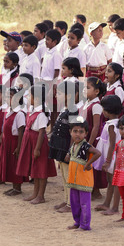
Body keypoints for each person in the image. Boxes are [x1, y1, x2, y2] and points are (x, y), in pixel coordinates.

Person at [16, 84, 57, 205]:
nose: (28, 97)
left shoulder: (41, 113)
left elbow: (41, 131)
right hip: (30, 140)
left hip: (38, 142)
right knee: (35, 168)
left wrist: (37, 148)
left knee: (41, 169)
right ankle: (35, 193)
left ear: (37, 98)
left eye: (30, 95)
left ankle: (41, 195)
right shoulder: (33, 109)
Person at [66, 117, 102, 231]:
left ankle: (85, 225)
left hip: (84, 181)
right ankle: (77, 222)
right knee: (75, 204)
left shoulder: (85, 146)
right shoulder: (73, 145)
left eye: (81, 132)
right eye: (75, 131)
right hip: (74, 180)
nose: (78, 134)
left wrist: (88, 164)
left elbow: (97, 153)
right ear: (70, 132)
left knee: (84, 204)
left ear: (86, 133)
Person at [49, 80, 80, 213]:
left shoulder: (73, 111)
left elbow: (74, 133)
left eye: (59, 93)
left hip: (66, 147)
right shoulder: (65, 109)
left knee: (69, 177)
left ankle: (71, 203)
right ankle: (66, 199)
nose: (56, 96)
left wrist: (70, 151)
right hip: (60, 146)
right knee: (63, 175)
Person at [0, 86, 28, 196]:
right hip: (7, 141)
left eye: (10, 96)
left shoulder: (19, 113)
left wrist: (19, 147)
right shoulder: (8, 111)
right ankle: (14, 187)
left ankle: (17, 187)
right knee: (9, 164)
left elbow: (21, 132)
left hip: (14, 142)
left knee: (15, 165)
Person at [93, 95, 122, 215]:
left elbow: (112, 144)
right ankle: (107, 203)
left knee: (114, 182)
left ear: (107, 111)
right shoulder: (114, 122)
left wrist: (108, 160)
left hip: (113, 156)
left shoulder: (111, 125)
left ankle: (114, 207)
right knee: (111, 181)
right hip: (111, 155)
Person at [79, 77, 106, 200]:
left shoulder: (96, 105)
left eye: (88, 88)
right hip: (84, 136)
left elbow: (96, 126)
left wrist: (89, 143)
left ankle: (96, 190)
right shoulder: (86, 103)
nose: (85, 90)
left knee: (92, 164)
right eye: (84, 87)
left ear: (96, 91)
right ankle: (89, 188)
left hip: (92, 138)